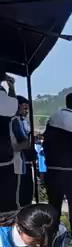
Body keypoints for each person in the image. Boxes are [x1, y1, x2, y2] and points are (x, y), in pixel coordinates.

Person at [44, 91, 72, 247]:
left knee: (53, 203)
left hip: (51, 168)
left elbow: (45, 143)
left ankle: (52, 233)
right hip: (69, 169)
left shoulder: (52, 118)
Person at [0, 73, 19, 215]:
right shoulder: (1, 93)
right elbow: (12, 109)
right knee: (7, 196)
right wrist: (11, 87)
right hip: (4, 155)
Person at [11, 97, 34, 208]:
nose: (26, 111)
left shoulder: (20, 121)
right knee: (22, 195)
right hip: (18, 163)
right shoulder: (15, 121)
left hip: (22, 162)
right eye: (24, 108)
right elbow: (24, 142)